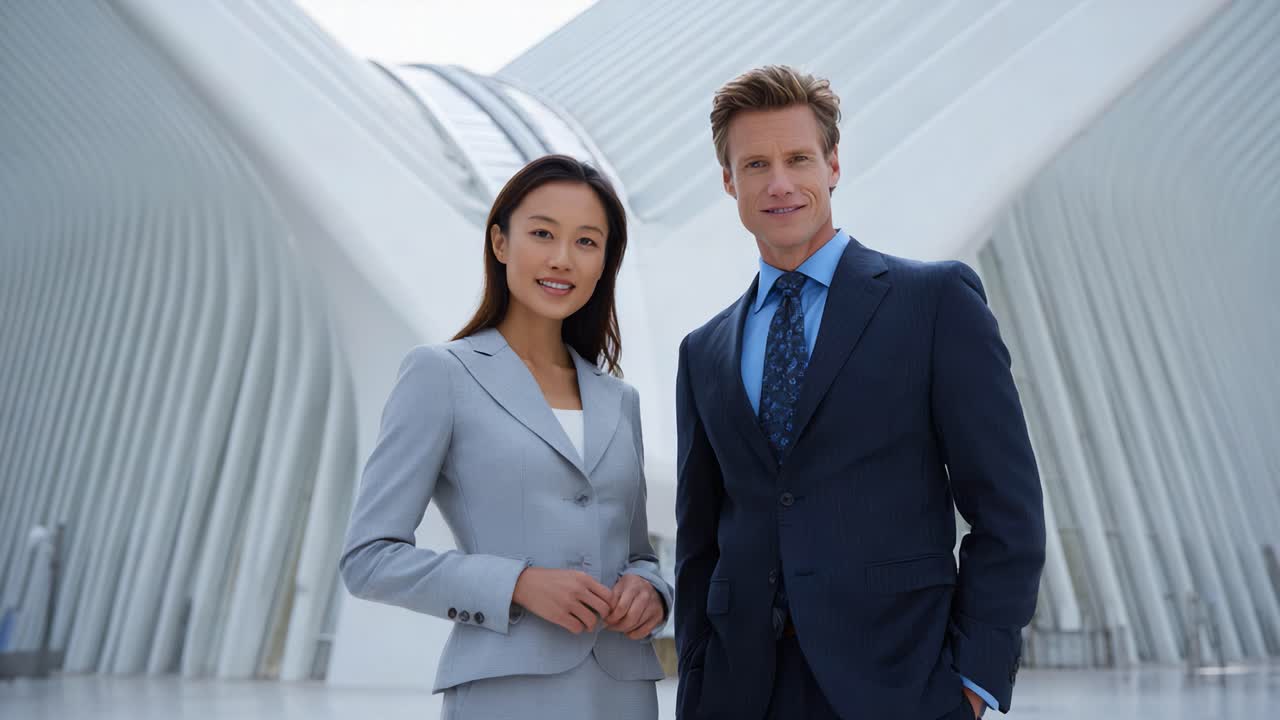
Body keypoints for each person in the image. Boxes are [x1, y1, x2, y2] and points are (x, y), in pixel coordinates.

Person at [674, 66, 1046, 719]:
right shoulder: (703, 351)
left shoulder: (934, 303)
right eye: (756, 164)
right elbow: (698, 544)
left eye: (798, 159)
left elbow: (1007, 509)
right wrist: (696, 681)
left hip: (902, 685)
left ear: (833, 166)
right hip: (739, 694)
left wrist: (973, 685)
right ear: (729, 181)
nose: (779, 183)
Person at [341, 155, 669, 720]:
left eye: (586, 242)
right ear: (500, 242)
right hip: (505, 692)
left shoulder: (621, 400)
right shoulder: (440, 375)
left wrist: (651, 591)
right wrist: (516, 583)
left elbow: (637, 554)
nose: (562, 258)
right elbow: (369, 559)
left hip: (623, 695)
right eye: (542, 234)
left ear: (604, 263)